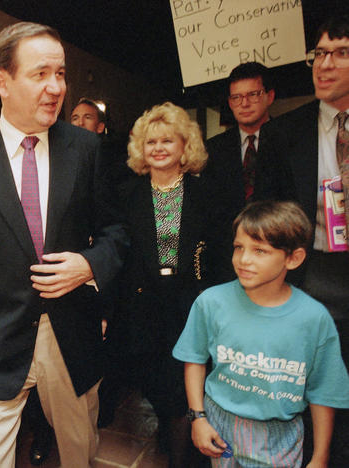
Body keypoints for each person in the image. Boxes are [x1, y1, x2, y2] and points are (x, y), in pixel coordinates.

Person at [0, 21, 128, 468]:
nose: (55, 87)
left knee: (79, 450)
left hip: (71, 336)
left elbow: (116, 232)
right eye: (40, 74)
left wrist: (89, 265)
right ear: (3, 82)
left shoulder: (87, 149)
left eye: (60, 73)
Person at [173, 200, 349, 467]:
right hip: (218, 424)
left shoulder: (314, 319)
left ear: (293, 258)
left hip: (279, 436)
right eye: (238, 247)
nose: (244, 260)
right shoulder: (211, 302)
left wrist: (321, 456)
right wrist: (198, 418)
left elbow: (323, 392)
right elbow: (194, 359)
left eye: (260, 251)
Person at [256, 15, 349, 463]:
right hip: (309, 277)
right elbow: (270, 214)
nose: (324, 65)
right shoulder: (283, 133)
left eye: (341, 53)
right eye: (319, 54)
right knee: (310, 390)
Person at [115, 102, 225, 467]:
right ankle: (169, 431)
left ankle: (182, 456)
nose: (158, 148)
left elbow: (222, 252)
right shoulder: (126, 194)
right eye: (151, 142)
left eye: (167, 141)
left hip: (190, 306)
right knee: (156, 386)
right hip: (141, 308)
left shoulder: (207, 193)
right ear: (141, 150)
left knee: (181, 391)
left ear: (185, 146)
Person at [204, 62, 275, 240]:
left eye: (253, 94)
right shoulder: (213, 149)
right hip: (228, 251)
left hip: (277, 244)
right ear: (230, 102)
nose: (244, 103)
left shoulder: (289, 140)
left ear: (270, 96)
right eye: (236, 97)